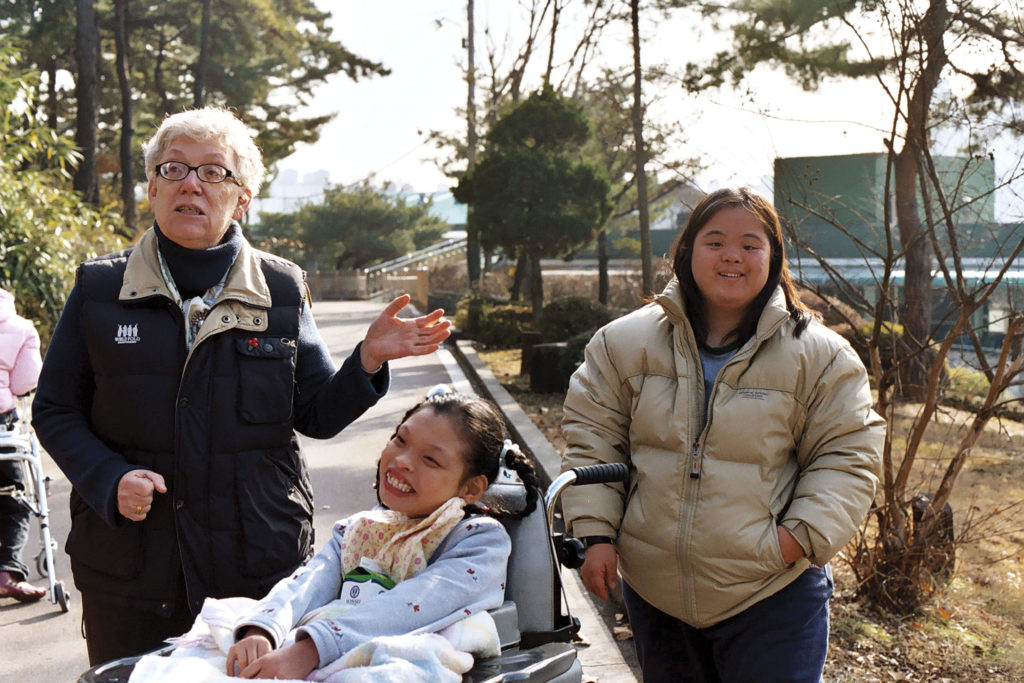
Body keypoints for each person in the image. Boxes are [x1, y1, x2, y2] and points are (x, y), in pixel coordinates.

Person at [31, 107, 451, 665]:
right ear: (152, 188)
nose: (190, 184)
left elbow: (316, 414)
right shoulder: (100, 287)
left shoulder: (279, 287)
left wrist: (368, 358)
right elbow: (55, 409)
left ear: (243, 197)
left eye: (213, 172)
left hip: (256, 566)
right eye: (174, 168)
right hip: (130, 566)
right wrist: (108, 480)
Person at [559, 187, 885, 682]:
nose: (733, 254)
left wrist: (793, 541)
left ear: (774, 258)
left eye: (750, 244)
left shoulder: (822, 357)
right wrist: (597, 535)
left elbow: (847, 458)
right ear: (686, 251)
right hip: (657, 593)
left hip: (772, 593)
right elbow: (593, 438)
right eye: (715, 241)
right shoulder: (622, 343)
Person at [222, 388, 539, 679]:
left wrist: (310, 649)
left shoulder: (479, 541)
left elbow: (413, 604)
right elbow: (309, 582)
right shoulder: (362, 529)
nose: (401, 461)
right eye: (400, 440)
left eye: (430, 459)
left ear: (471, 488)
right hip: (329, 645)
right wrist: (261, 630)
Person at [0, 287, 46, 603]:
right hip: (1, 429)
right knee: (13, 498)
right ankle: (7, 572)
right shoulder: (20, 327)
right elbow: (25, 384)